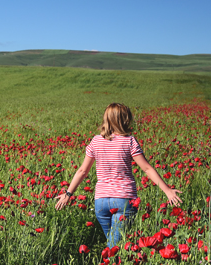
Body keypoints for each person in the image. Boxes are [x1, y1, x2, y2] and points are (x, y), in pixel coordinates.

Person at [55, 103, 182, 247]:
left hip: (101, 202)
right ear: (125, 120)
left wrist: (68, 194)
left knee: (113, 246)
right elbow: (147, 169)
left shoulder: (96, 141)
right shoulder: (129, 141)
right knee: (114, 248)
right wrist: (168, 191)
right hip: (124, 200)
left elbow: (82, 171)